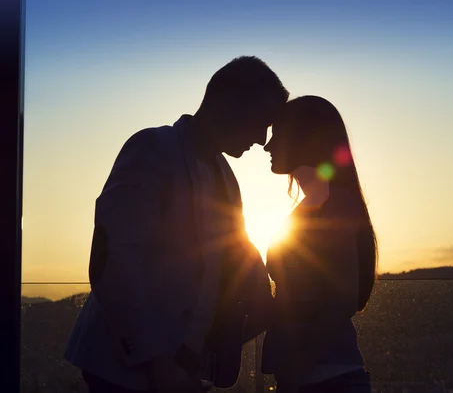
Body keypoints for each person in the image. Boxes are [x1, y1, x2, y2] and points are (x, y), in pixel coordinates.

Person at [64, 56, 287, 393]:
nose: (261, 138)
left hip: (176, 372)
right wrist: (153, 362)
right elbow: (113, 260)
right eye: (260, 121)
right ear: (227, 103)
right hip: (121, 370)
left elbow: (231, 259)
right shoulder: (151, 149)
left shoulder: (226, 178)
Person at [261, 95, 378, 393]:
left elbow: (343, 298)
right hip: (316, 379)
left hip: (325, 381)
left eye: (277, 136)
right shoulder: (316, 206)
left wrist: (300, 364)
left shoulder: (334, 206)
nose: (268, 146)